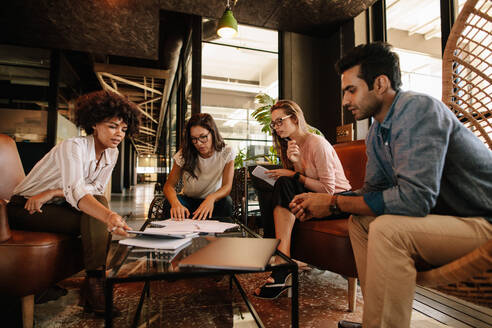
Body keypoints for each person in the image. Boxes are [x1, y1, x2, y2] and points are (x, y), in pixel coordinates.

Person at [289, 42, 492, 328]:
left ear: (380, 84)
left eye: (351, 90)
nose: (345, 100)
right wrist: (325, 207)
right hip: (447, 220)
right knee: (360, 222)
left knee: (388, 230)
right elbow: (372, 193)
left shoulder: (418, 109)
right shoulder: (376, 133)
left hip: (483, 223)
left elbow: (414, 200)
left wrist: (334, 202)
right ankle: (378, 318)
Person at [7, 90, 141, 315]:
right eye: (112, 126)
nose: (119, 134)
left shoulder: (112, 153)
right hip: (24, 207)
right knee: (98, 215)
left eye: (124, 129)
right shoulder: (74, 146)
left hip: (57, 205)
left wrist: (53, 192)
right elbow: (77, 190)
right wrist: (108, 216)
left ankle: (92, 283)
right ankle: (95, 284)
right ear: (95, 124)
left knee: (97, 204)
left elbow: (94, 189)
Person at [254, 100, 351, 299]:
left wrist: (293, 175)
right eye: (274, 124)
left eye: (279, 121)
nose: (276, 127)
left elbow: (327, 190)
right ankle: (279, 256)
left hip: (337, 201)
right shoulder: (292, 145)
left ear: (295, 119)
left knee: (284, 182)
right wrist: (296, 166)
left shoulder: (317, 143)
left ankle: (282, 263)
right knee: (269, 185)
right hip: (313, 197)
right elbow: (304, 183)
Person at [163, 113, 235, 220]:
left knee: (227, 203)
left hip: (212, 201)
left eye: (203, 137)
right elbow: (168, 186)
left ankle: (220, 235)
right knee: (169, 204)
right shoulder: (184, 154)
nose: (199, 143)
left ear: (213, 133)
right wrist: (175, 203)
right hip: (188, 201)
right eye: (194, 139)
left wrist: (211, 198)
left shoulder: (226, 152)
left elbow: (227, 187)